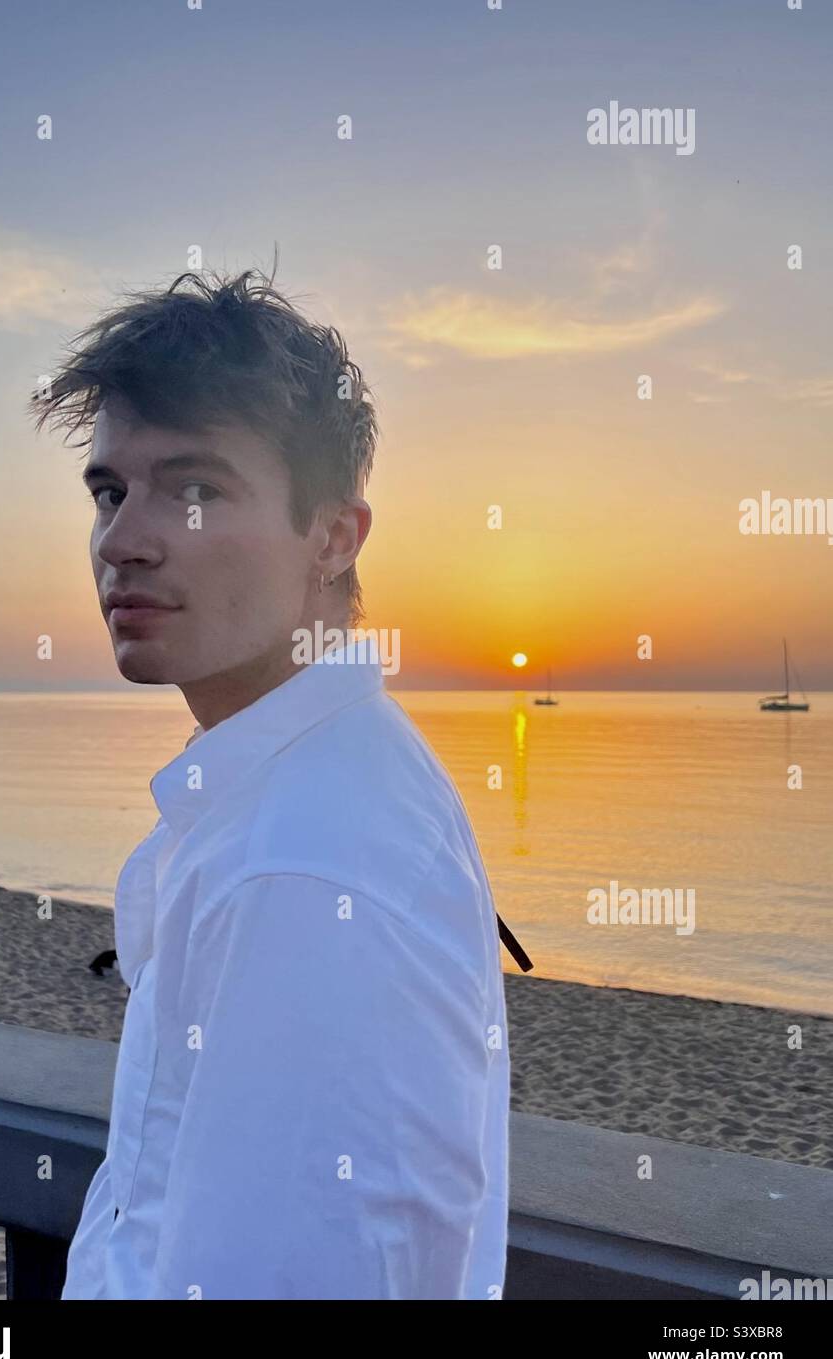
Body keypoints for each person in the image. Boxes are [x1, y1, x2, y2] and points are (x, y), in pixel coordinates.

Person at [29, 268, 510, 1300]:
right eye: (110, 493)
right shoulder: (293, 793)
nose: (123, 542)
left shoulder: (304, 865)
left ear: (332, 538)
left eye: (195, 490)